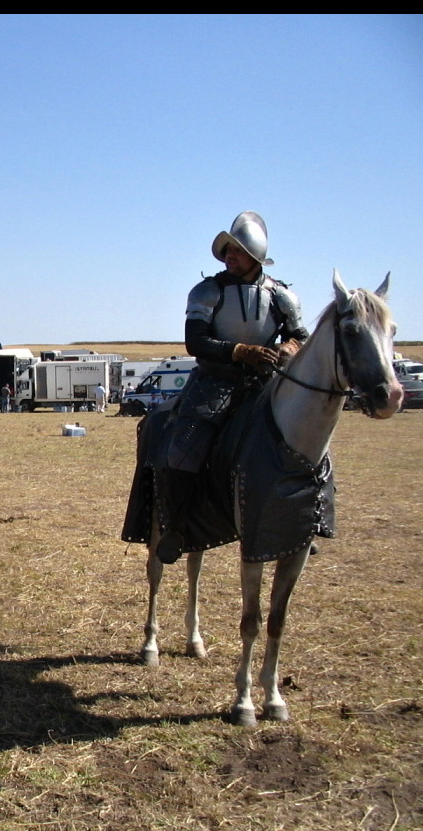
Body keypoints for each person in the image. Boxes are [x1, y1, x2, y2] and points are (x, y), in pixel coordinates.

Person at [154, 210, 309, 565]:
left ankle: (305, 522)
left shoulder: (282, 295)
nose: (230, 257)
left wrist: (289, 348)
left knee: (302, 446)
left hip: (265, 385)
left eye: (237, 251)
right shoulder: (207, 291)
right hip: (213, 385)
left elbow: (300, 336)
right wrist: (240, 351)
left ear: (255, 255)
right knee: (182, 451)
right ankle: (176, 528)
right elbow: (196, 341)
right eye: (227, 252)